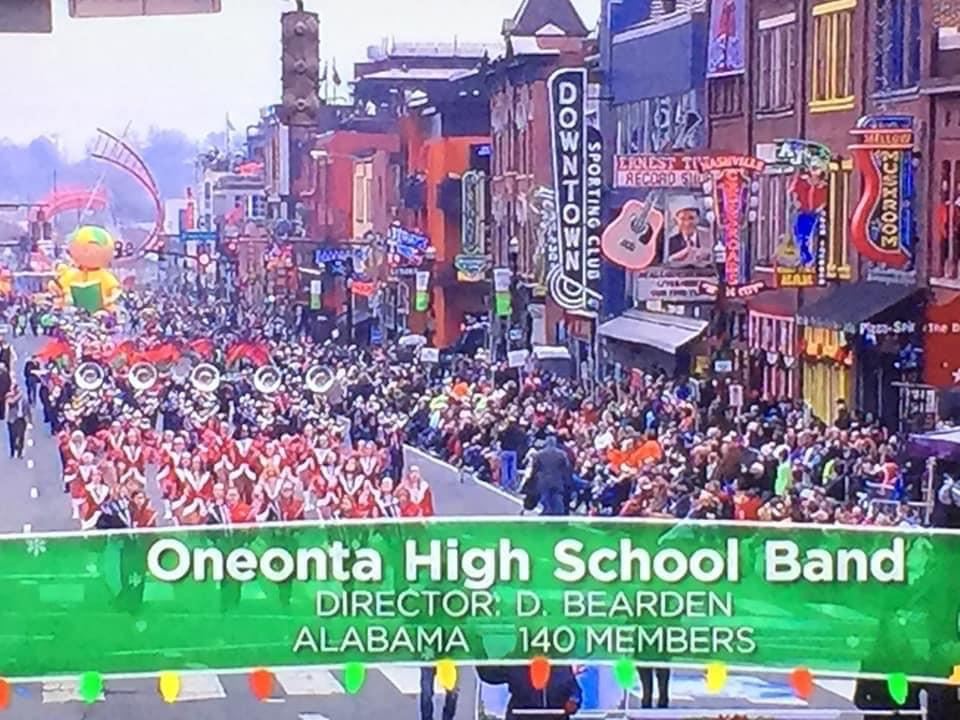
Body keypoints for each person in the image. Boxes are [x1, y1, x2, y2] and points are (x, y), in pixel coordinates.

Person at [477, 665, 581, 720]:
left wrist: (573, 701)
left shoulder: (561, 666)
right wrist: (477, 650)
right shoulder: (516, 664)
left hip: (556, 717)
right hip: (520, 717)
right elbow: (488, 674)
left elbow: (574, 690)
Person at [530, 436, 572, 516]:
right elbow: (566, 468)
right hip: (557, 480)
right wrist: (566, 480)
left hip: (543, 481)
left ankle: (547, 512)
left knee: (545, 498)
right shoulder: (562, 454)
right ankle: (558, 515)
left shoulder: (539, 454)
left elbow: (535, 468)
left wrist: (532, 479)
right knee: (557, 498)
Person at [6, 384, 28, 459]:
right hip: (12, 420)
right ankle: (12, 452)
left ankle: (20, 453)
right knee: (12, 436)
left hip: (21, 420)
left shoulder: (23, 399)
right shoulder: (9, 396)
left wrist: (29, 420)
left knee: (21, 436)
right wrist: (19, 396)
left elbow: (27, 409)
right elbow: (11, 402)